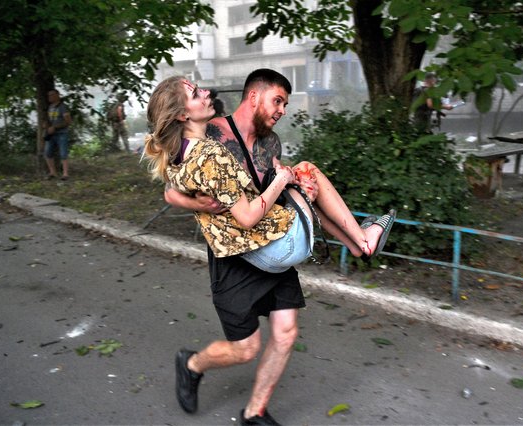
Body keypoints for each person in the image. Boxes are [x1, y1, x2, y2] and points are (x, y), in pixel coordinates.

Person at [149, 70, 395, 425]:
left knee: (286, 332)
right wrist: (197, 204)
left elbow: (270, 197)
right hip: (235, 256)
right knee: (245, 349)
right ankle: (191, 364)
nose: (281, 110)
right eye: (277, 101)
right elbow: (172, 189)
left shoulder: (271, 144)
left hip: (270, 238)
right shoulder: (213, 133)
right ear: (254, 97)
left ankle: (254, 412)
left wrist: (293, 186)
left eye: (285, 104)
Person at [44, 89, 72, 180]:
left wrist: (55, 127)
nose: (49, 97)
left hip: (62, 133)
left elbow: (68, 121)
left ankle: (65, 174)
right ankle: (52, 172)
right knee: (48, 152)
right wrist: (46, 126)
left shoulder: (63, 107)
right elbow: (50, 120)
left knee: (63, 153)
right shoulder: (50, 107)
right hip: (51, 134)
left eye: (51, 95)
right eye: (48, 95)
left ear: (57, 95)